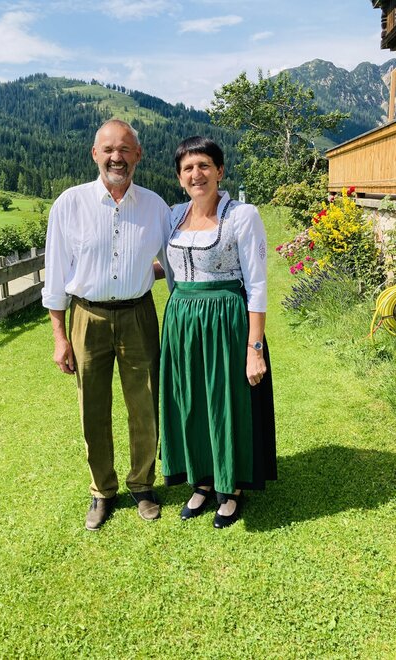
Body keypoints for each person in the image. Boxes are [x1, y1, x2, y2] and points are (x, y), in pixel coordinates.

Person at [42, 119, 172, 531]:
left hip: (139, 314)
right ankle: (102, 490)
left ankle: (142, 484)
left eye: (125, 149)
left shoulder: (156, 207)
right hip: (86, 317)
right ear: (95, 154)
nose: (117, 157)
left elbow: (174, 264)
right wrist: (60, 337)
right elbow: (56, 274)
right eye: (109, 149)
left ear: (138, 155)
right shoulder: (70, 203)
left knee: (145, 403)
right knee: (92, 408)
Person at [160, 136, 277, 528]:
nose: (197, 174)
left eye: (204, 166)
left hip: (226, 320)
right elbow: (169, 265)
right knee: (190, 400)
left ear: (219, 171)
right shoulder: (173, 215)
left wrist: (254, 347)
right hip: (181, 320)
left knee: (226, 401)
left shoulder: (242, 216)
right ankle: (202, 479)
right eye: (188, 168)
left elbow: (257, 285)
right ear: (179, 177)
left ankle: (231, 486)